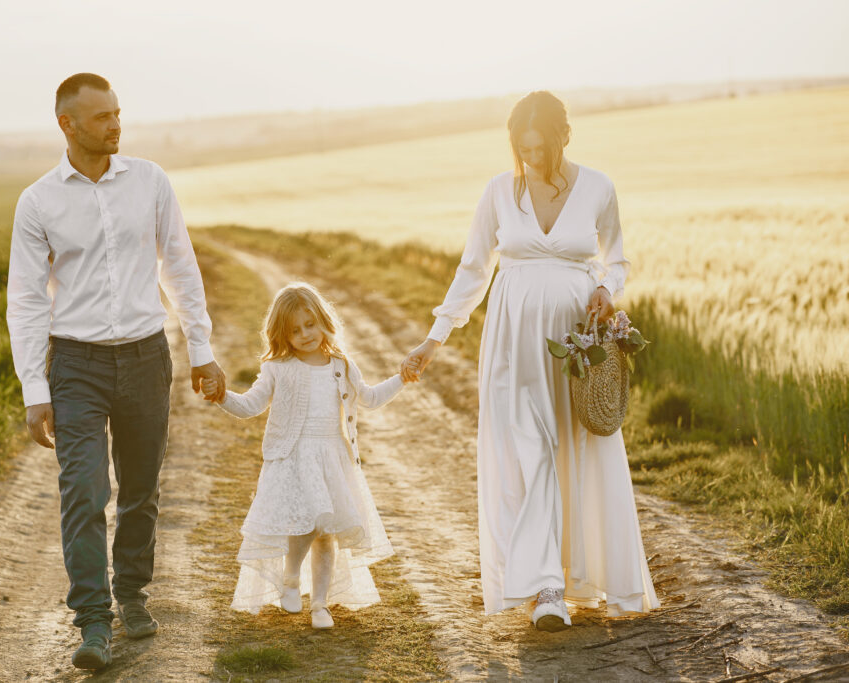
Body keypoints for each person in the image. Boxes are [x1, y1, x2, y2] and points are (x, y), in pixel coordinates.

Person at [400, 91, 659, 631]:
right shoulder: (500, 191)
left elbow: (617, 259)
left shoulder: (598, 187)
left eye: (540, 148)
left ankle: (581, 575)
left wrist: (606, 290)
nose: (531, 158)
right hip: (513, 343)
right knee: (529, 453)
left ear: (563, 137)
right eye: (522, 148)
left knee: (575, 450)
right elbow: (474, 271)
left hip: (574, 347)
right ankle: (546, 589)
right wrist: (434, 338)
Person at [6, 72, 226, 670]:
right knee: (83, 489)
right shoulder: (38, 201)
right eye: (102, 117)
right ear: (67, 124)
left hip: (146, 355)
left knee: (140, 490)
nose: (116, 125)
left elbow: (180, 264)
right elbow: (25, 300)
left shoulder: (150, 181)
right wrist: (34, 388)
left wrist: (200, 347)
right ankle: (93, 619)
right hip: (76, 363)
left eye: (118, 113)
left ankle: (131, 592)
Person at [201, 283, 402, 629]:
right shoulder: (279, 368)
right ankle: (291, 577)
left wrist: (402, 378)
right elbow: (250, 405)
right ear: (282, 334)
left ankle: (320, 604)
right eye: (295, 330)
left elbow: (369, 398)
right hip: (294, 457)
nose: (305, 334)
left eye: (310, 324)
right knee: (306, 522)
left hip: (331, 456)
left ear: (323, 320)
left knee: (327, 531)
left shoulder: (341, 364)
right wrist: (221, 396)